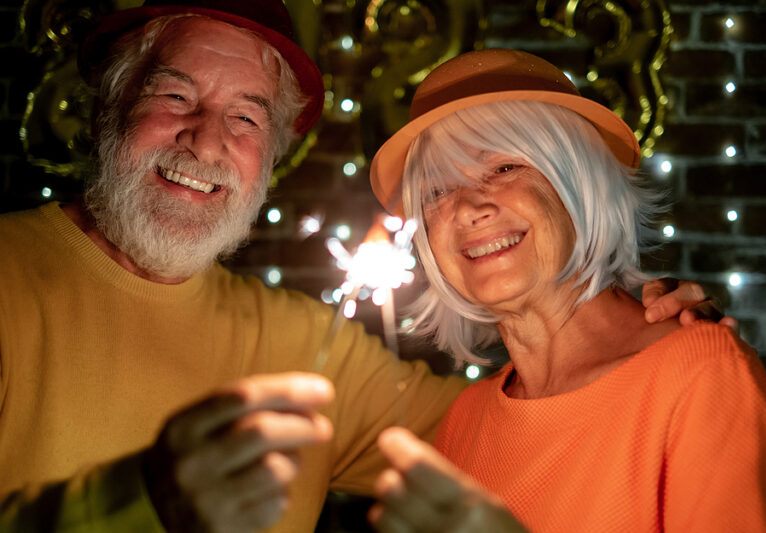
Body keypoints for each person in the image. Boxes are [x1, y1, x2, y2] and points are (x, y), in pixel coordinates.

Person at [0, 2, 726, 530]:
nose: (206, 140)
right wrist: (135, 502)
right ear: (110, 108)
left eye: (246, 117)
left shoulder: (314, 356)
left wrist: (651, 338)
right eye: (174, 95)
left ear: (273, 157)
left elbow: (550, 428)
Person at [367, 49, 766, 532]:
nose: (470, 207)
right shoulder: (464, 420)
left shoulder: (701, 371)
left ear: (579, 181)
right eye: (437, 191)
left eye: (503, 167)